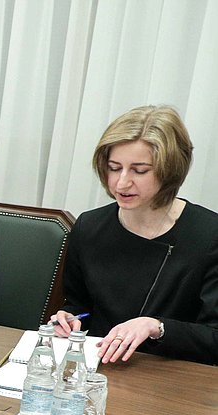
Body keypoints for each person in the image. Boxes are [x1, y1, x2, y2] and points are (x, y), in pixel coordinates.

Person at [50, 105, 217, 365]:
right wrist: (69, 320)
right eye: (114, 168)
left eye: (139, 171)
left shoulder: (208, 235)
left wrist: (157, 327)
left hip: (176, 378)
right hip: (98, 369)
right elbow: (79, 306)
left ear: (170, 169)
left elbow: (214, 337)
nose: (121, 183)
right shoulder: (89, 226)